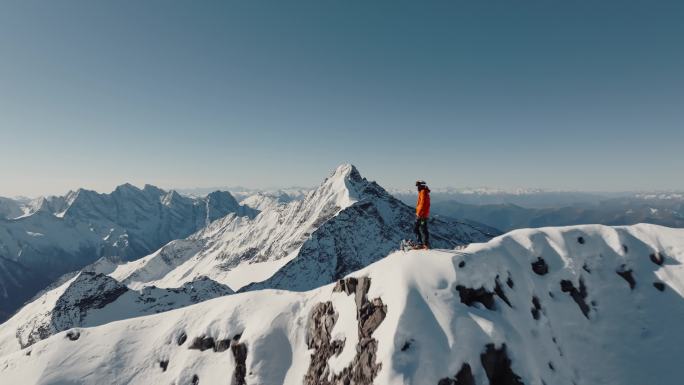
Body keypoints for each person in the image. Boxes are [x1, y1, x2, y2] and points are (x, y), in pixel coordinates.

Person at [414, 180, 431, 249]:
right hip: (423, 214)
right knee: (422, 229)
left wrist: (419, 213)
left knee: (417, 229)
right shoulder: (424, 192)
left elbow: (422, 204)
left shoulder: (423, 192)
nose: (417, 187)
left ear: (421, 185)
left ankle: (422, 244)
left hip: (421, 215)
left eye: (418, 185)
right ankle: (424, 244)